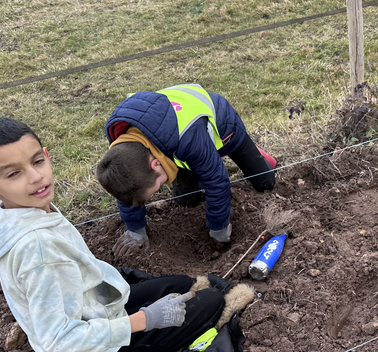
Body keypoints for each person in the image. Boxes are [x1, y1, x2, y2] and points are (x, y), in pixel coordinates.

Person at [0, 118, 252, 352]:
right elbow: (58, 339)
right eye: (14, 174)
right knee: (211, 302)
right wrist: (146, 319)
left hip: (93, 311)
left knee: (181, 284)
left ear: (46, 155)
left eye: (37, 161)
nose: (36, 177)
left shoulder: (14, 211)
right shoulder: (38, 248)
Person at [96, 83, 277, 257]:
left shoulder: (189, 139)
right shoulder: (123, 142)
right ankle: (197, 163)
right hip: (174, 145)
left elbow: (217, 182)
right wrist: (135, 230)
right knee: (186, 201)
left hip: (224, 128)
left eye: (158, 185)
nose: (159, 188)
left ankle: (257, 154)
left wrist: (219, 229)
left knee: (265, 183)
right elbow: (125, 186)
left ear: (155, 164)